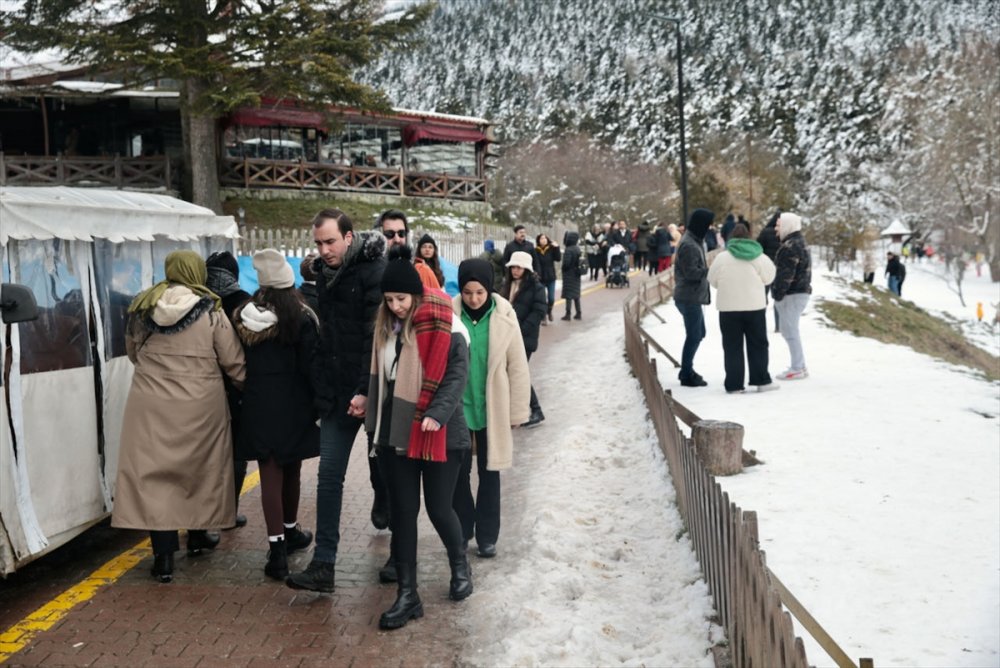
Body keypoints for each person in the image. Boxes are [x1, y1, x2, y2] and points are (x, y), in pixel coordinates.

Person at [112, 250, 246, 583]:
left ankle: (164, 558)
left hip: (151, 404)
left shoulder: (143, 307)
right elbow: (232, 360)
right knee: (201, 469)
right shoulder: (211, 310)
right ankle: (199, 536)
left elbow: (132, 352)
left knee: (156, 477)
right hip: (202, 404)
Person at [366, 250, 472, 630]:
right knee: (403, 513)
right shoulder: (385, 329)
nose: (395, 307)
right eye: (389, 300)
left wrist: (436, 414)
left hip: (442, 432)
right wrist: (366, 398)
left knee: (440, 508)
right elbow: (383, 377)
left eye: (401, 299)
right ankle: (408, 595)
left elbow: (456, 375)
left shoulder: (447, 324)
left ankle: (460, 566)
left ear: (416, 294)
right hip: (398, 435)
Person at [285, 208, 386, 593]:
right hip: (336, 396)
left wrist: (364, 390)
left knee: (387, 474)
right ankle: (324, 563)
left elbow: (371, 339)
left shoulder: (373, 273)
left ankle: (398, 553)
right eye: (318, 243)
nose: (324, 250)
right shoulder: (325, 277)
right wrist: (322, 386)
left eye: (330, 241)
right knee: (329, 478)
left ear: (348, 237)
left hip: (371, 391)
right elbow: (327, 337)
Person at [232, 249, 320, 579]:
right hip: (294, 404)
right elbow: (312, 365)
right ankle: (291, 529)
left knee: (268, 472)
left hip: (258, 402)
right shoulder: (301, 316)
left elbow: (236, 361)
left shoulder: (243, 316)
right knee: (291, 468)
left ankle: (277, 550)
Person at [451, 259, 531, 559]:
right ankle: (462, 528)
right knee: (457, 474)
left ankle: (487, 535)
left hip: (491, 408)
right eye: (468, 292)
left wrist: (517, 411)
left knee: (490, 473)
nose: (473, 299)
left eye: (479, 293)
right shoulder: (450, 315)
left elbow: (518, 367)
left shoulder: (504, 318)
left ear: (489, 289)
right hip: (458, 408)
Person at [205, 250, 252, 530]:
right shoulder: (243, 302)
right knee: (236, 452)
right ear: (233, 274)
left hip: (203, 388)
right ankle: (228, 513)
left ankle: (202, 515)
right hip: (236, 387)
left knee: (206, 453)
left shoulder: (197, 301)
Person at [707, 224, 778, 393]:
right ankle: (762, 380)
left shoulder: (722, 258)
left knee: (732, 347)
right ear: (748, 237)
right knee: (758, 344)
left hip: (729, 308)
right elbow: (769, 277)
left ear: (731, 238)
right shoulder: (759, 257)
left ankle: (734, 384)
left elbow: (712, 279)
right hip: (754, 307)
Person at [501, 251, 547, 427]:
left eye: (519, 267)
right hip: (506, 337)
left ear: (526, 269)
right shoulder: (507, 285)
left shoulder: (537, 287)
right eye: (513, 266)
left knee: (518, 373)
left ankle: (536, 410)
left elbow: (539, 311)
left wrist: (520, 330)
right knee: (511, 372)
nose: (515, 270)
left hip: (524, 339)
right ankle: (517, 410)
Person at [673, 208, 714, 387]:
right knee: (694, 335)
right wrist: (709, 271)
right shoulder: (689, 244)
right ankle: (686, 373)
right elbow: (691, 273)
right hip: (689, 297)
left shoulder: (694, 240)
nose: (710, 228)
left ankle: (687, 370)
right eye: (707, 224)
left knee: (699, 333)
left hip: (693, 296)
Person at [772, 212, 812, 380]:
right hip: (798, 292)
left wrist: (777, 293)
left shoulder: (790, 246)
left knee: (790, 331)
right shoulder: (798, 243)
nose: (776, 228)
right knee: (789, 330)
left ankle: (798, 367)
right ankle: (799, 365)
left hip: (792, 294)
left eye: (779, 224)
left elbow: (785, 275)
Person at [757, 210, 782, 332]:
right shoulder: (784, 234)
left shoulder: (765, 232)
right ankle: (778, 325)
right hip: (779, 269)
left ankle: (760, 322)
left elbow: (758, 249)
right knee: (777, 297)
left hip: (766, 268)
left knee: (762, 297)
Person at [532, 233, 561, 324]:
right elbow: (535, 263)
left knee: (551, 298)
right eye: (541, 238)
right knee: (543, 299)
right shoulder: (536, 250)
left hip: (551, 277)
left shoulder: (551, 249)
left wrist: (557, 248)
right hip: (541, 278)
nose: (543, 240)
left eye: (545, 238)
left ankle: (549, 311)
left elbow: (558, 258)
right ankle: (544, 316)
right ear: (538, 241)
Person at [560, 231, 584, 320]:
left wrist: (563, 269)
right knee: (576, 295)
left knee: (568, 295)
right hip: (577, 274)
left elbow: (566, 263)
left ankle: (568, 313)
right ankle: (579, 312)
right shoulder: (578, 249)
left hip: (569, 274)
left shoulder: (568, 249)